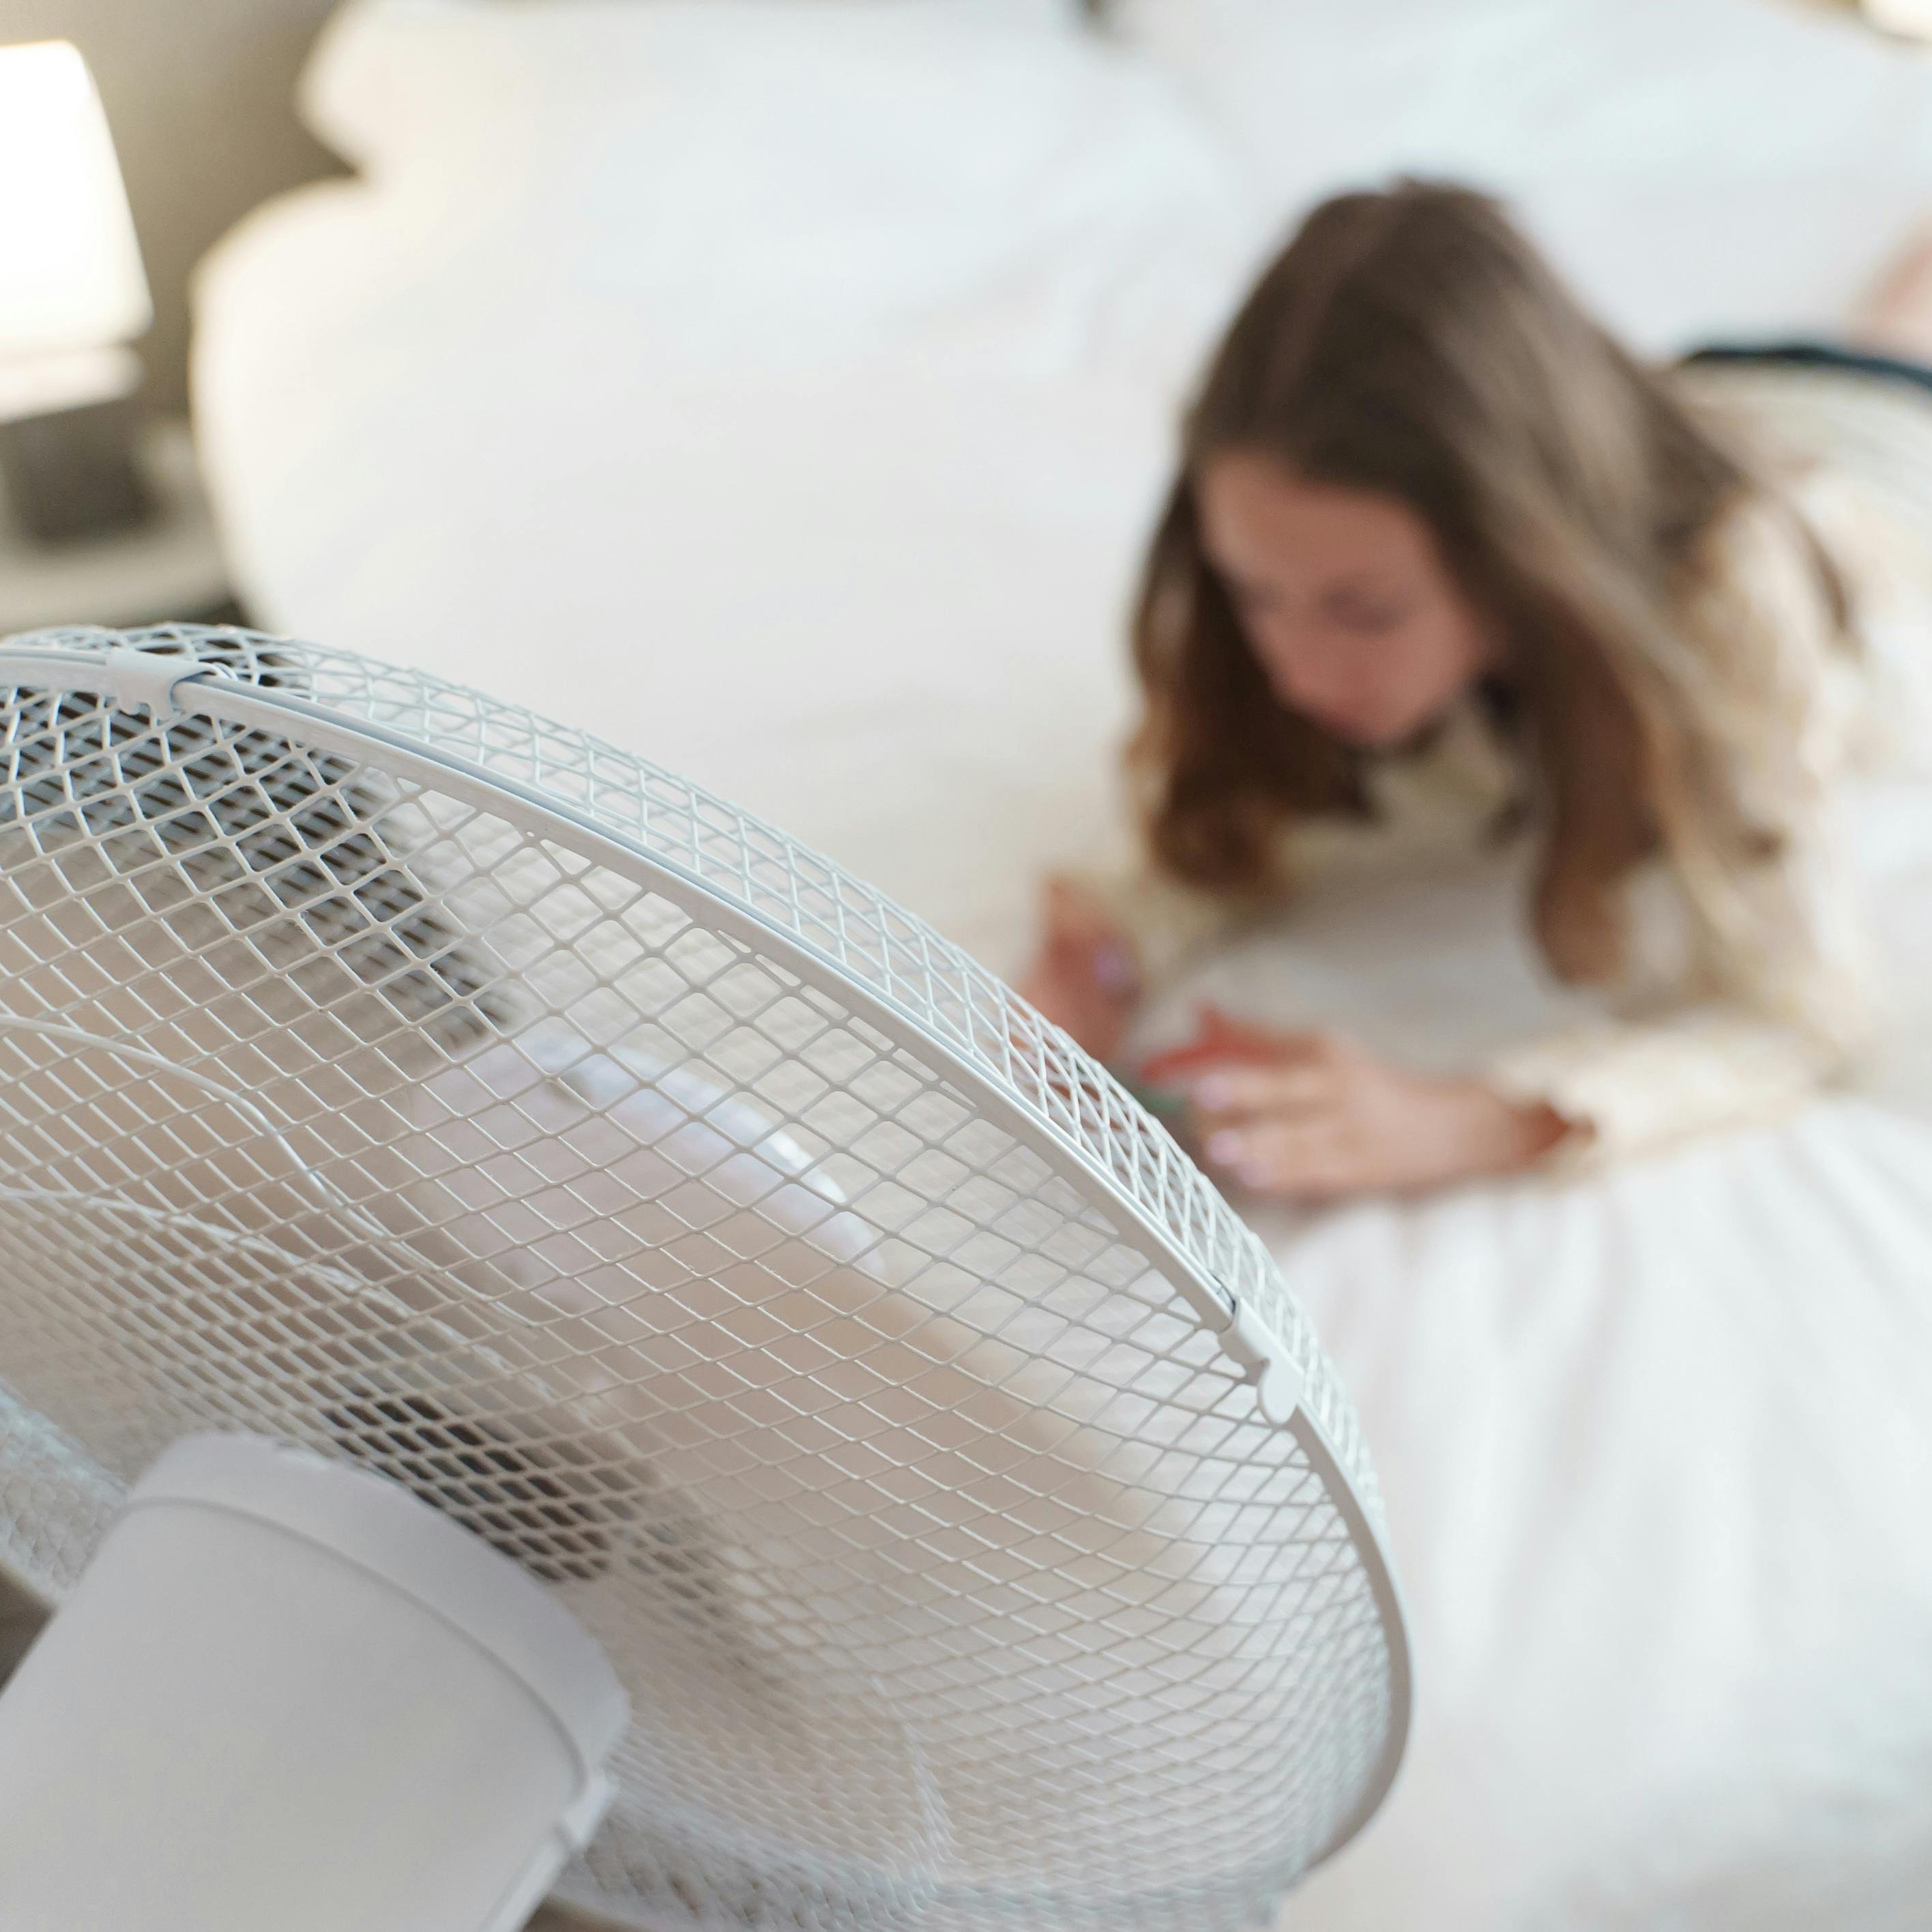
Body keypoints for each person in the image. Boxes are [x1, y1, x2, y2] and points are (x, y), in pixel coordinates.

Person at [1021, 179, 1932, 1203]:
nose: (1296, 671)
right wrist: (1097, 954)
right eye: (1252, 593)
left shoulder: (1730, 600)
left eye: (1364, 612)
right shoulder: (1343, 526)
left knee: (1902, 328)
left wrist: (1464, 1122)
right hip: (1715, 390)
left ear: (1519, 562)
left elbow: (1804, 1012)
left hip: (1889, 464)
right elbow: (1205, 829)